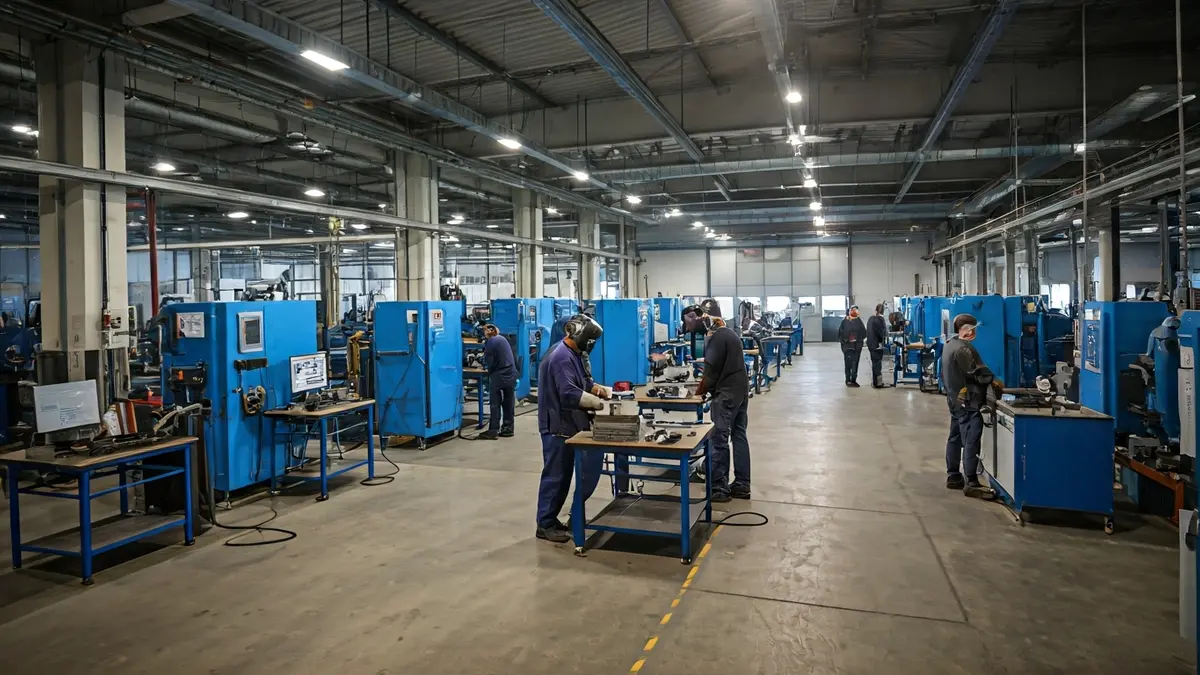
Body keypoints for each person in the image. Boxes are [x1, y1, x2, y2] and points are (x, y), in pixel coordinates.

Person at [535, 314, 612, 543]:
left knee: (564, 476)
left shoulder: (573, 354)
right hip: (557, 426)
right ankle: (545, 524)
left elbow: (583, 382)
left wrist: (600, 389)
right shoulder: (560, 357)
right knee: (555, 477)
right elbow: (569, 393)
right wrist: (600, 404)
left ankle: (551, 519)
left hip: (568, 425)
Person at [940, 314, 1001, 498]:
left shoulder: (950, 344)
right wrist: (994, 381)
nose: (975, 331)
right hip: (968, 400)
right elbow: (978, 374)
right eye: (974, 328)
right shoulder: (963, 350)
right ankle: (972, 481)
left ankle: (953, 475)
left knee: (955, 436)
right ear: (967, 328)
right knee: (971, 439)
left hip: (954, 398)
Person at [695, 304, 751, 502]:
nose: (701, 322)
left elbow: (710, 371)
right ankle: (742, 484)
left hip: (726, 393)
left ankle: (719, 488)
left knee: (719, 439)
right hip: (740, 391)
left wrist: (698, 393)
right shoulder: (730, 334)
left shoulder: (717, 337)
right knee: (738, 435)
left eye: (704, 318)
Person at [478, 324, 517, 440]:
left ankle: (493, 430)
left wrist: (482, 364)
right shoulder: (502, 339)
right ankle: (508, 429)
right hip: (511, 374)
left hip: (499, 376)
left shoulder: (491, 342)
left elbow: (490, 362)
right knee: (509, 403)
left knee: (495, 403)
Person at [838, 306, 867, 387]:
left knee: (847, 364)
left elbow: (840, 334)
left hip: (847, 347)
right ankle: (853, 380)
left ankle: (848, 380)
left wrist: (844, 342)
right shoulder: (858, 321)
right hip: (856, 346)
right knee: (855, 363)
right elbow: (864, 333)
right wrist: (858, 339)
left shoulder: (844, 321)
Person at [866, 304, 889, 388]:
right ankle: (878, 384)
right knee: (878, 364)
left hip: (870, 344)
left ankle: (875, 382)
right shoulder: (880, 319)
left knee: (874, 363)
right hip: (877, 345)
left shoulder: (870, 319)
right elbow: (882, 333)